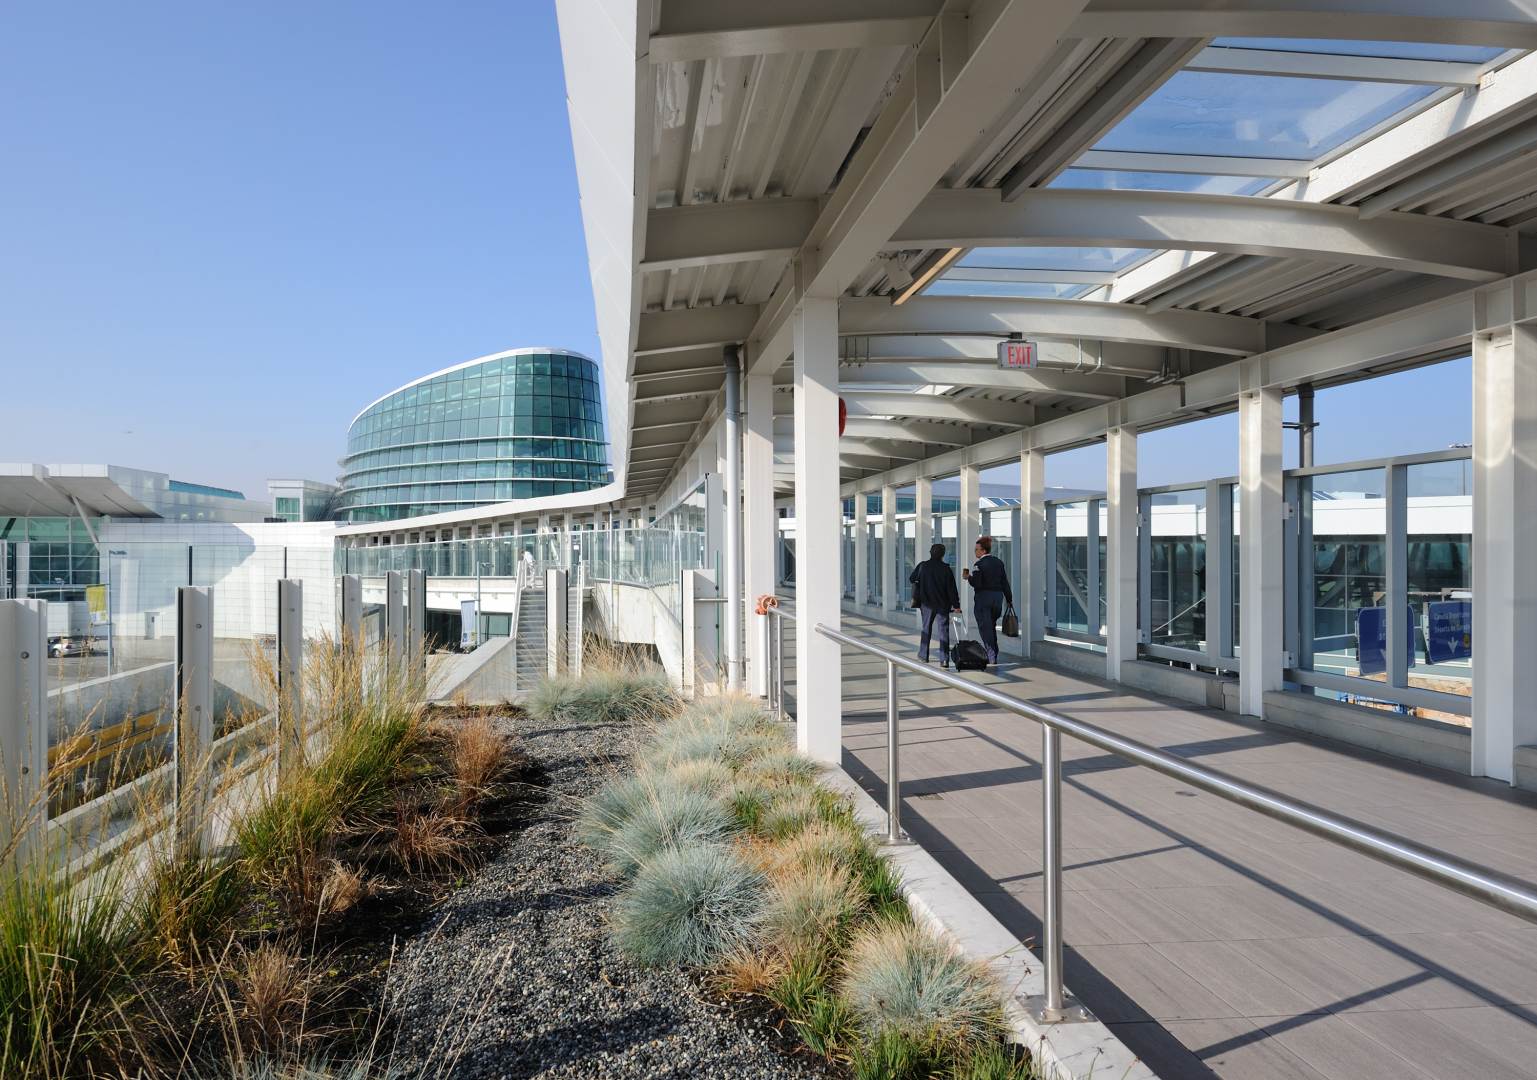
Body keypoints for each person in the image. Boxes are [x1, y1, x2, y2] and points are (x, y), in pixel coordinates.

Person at [962, 535, 1012, 667]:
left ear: (984, 551)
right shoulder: (998, 563)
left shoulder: (978, 565)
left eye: (977, 549)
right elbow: (1005, 582)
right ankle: (994, 652)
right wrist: (1009, 599)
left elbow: (977, 583)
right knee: (991, 626)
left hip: (984, 598)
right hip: (998, 598)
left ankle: (991, 656)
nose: (975, 552)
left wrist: (968, 578)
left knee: (985, 627)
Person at [908, 543, 961, 667]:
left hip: (926, 604)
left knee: (926, 628)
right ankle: (944, 660)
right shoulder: (946, 569)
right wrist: (956, 605)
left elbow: (911, 579)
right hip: (943, 604)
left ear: (930, 553)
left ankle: (923, 655)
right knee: (944, 631)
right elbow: (952, 589)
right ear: (943, 555)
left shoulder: (923, 566)